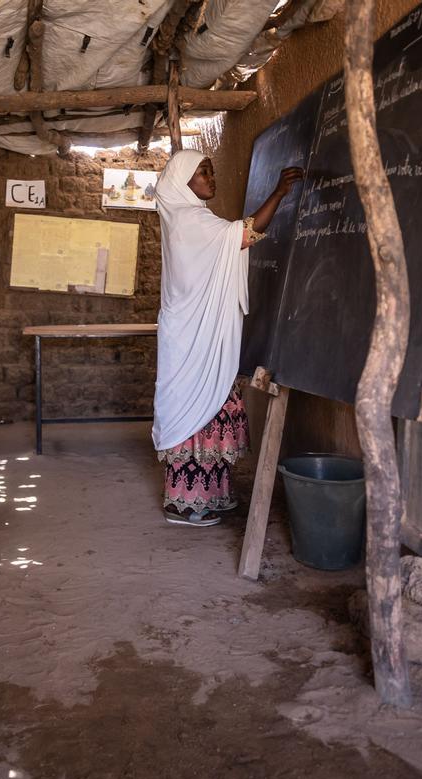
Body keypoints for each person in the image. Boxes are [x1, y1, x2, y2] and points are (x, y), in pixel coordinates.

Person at [152, 151, 304, 526]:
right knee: (197, 408)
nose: (211, 177)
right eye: (202, 172)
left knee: (207, 403)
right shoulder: (189, 220)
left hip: (191, 333)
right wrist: (279, 193)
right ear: (182, 180)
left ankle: (208, 496)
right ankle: (189, 503)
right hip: (193, 337)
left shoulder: (187, 218)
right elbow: (245, 234)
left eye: (211, 170)